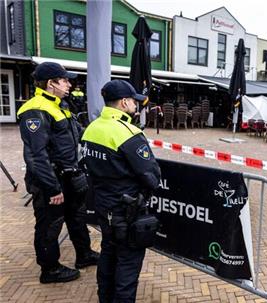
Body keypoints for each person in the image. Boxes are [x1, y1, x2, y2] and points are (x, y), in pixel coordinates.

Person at [17, 62, 99, 284]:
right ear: (51, 83)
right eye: (65, 80)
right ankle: (50, 269)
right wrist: (52, 188)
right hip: (51, 181)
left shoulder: (60, 105)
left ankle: (84, 254)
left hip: (70, 177)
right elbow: (36, 156)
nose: (69, 84)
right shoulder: (35, 110)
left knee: (77, 217)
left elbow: (76, 134)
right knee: (50, 225)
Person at [81, 80, 161, 303]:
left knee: (107, 255)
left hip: (103, 206)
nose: (137, 105)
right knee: (127, 266)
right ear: (124, 103)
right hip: (126, 211)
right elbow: (152, 176)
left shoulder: (91, 128)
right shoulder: (128, 133)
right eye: (134, 101)